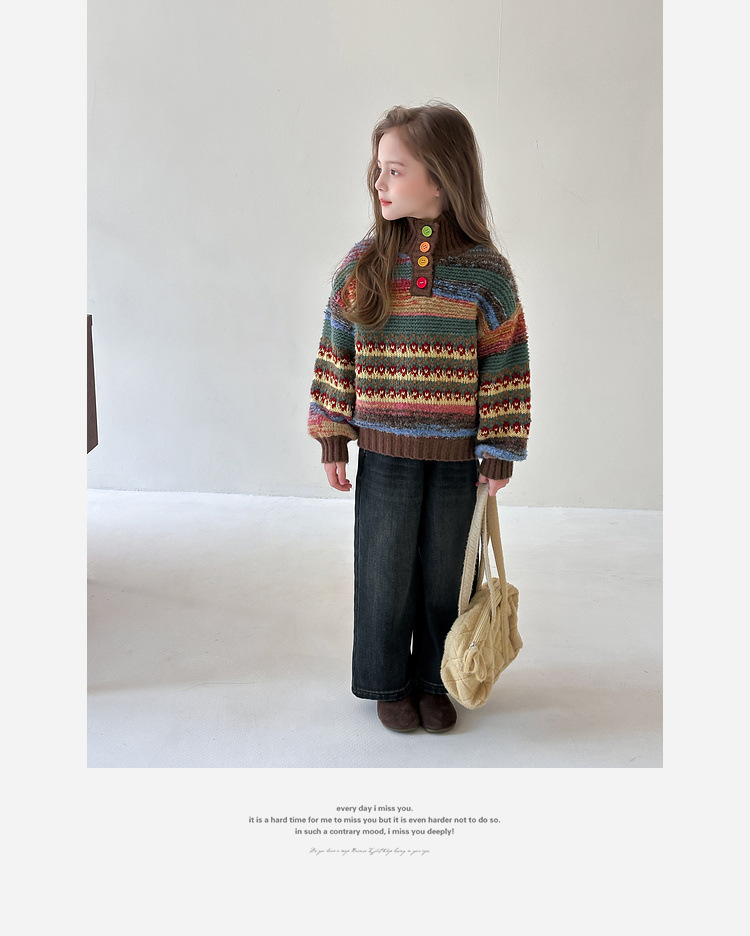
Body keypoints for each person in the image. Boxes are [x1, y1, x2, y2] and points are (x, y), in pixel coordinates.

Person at [307, 102, 531, 733]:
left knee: (446, 576)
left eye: (395, 170)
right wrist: (332, 437)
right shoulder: (364, 265)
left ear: (441, 177)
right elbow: (336, 351)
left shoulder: (487, 274)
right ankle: (387, 682)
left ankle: (437, 678)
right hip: (384, 454)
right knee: (383, 574)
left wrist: (500, 447)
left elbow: (507, 362)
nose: (379, 182)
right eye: (378, 169)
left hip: (460, 460)